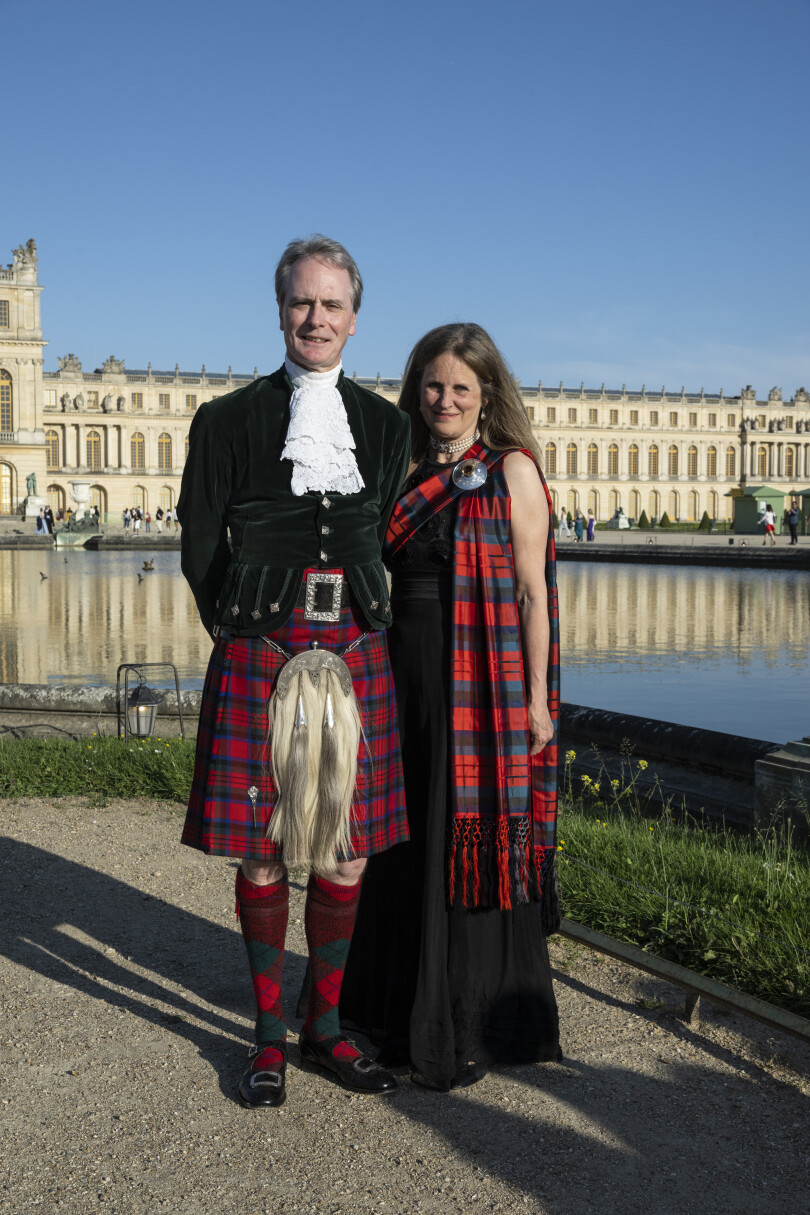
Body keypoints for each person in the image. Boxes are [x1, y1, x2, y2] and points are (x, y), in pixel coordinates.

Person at [177, 235, 411, 1109]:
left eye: (332, 304)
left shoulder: (386, 429)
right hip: (259, 651)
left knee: (346, 857)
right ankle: (269, 1036)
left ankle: (327, 1027)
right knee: (265, 850)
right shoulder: (227, 420)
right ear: (280, 310)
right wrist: (241, 631)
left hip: (358, 650)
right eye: (301, 303)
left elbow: (390, 535)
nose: (317, 318)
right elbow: (201, 548)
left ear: (355, 315)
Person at [341, 322, 561, 1092]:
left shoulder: (512, 472)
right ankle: (384, 1009)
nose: (445, 399)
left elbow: (532, 593)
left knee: (457, 836)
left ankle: (463, 1022)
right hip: (397, 671)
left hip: (481, 685)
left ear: (486, 395)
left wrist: (537, 699)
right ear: (416, 389)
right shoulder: (395, 468)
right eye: (433, 385)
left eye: (460, 388)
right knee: (394, 839)